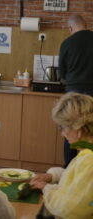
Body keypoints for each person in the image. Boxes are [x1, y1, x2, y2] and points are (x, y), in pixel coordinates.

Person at [30, 92, 93, 219]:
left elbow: (68, 208)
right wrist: (52, 176)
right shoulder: (87, 151)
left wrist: (46, 189)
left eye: (63, 128)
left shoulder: (89, 160)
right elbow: (75, 177)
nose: (62, 134)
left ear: (78, 129)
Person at [58, 14, 93, 166]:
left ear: (70, 28)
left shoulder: (67, 43)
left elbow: (61, 73)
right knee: (90, 131)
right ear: (86, 25)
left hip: (73, 94)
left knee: (70, 130)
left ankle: (69, 167)